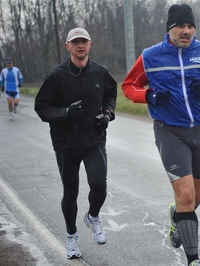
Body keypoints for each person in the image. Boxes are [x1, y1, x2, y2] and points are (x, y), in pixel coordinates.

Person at [122, 4, 200, 266]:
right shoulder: (151, 57)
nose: (186, 31)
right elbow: (128, 86)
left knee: (196, 198)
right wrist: (148, 96)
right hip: (169, 129)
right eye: (180, 26)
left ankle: (176, 217)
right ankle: (193, 259)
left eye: (190, 26)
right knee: (185, 195)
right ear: (169, 29)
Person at [34, 27, 117, 259]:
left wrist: (108, 114)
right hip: (66, 144)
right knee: (71, 192)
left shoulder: (101, 72)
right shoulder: (56, 75)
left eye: (84, 41)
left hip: (94, 141)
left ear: (90, 44)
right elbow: (41, 107)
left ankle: (93, 217)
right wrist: (66, 113)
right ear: (68, 46)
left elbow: (111, 93)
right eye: (75, 42)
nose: (80, 45)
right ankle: (71, 236)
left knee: (99, 185)